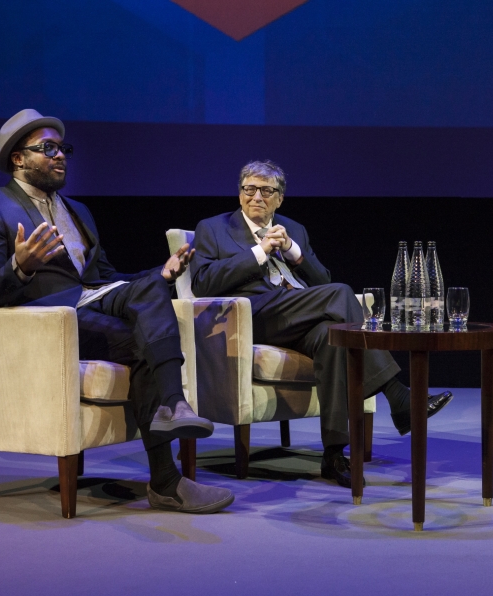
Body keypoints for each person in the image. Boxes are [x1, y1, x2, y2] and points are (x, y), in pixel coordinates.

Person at [0, 109, 234, 514]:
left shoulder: (79, 211)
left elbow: (106, 278)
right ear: (18, 158)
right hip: (50, 321)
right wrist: (20, 265)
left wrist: (157, 274)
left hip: (95, 300)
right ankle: (166, 475)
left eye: (63, 148)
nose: (60, 156)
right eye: (47, 148)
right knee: (139, 337)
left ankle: (172, 414)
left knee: (151, 292)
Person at [189, 160, 453, 488]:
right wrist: (259, 252)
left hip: (297, 316)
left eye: (266, 191)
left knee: (334, 339)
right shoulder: (212, 228)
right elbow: (201, 283)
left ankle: (333, 453)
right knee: (342, 295)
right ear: (240, 193)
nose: (256, 196)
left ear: (279, 198)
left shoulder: (293, 229)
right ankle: (396, 393)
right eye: (249, 189)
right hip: (251, 319)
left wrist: (293, 251)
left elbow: (320, 281)